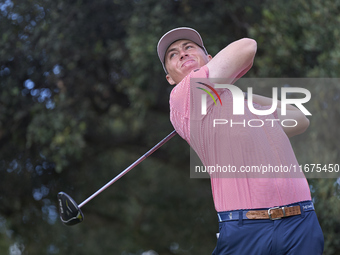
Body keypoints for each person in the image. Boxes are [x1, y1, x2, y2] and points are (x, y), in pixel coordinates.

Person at [157, 27, 324, 255]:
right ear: (169, 78)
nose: (182, 54)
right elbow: (247, 46)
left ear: (210, 58)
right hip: (247, 226)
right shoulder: (182, 96)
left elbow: (299, 119)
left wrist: (240, 96)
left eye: (189, 47)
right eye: (173, 55)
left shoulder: (245, 106)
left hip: (302, 222)